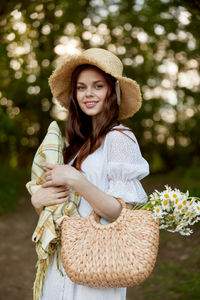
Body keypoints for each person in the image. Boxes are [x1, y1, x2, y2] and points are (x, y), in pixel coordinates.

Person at [30, 48, 149, 300]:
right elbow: (66, 207)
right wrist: (38, 202)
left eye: (98, 86)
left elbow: (121, 213)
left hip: (99, 259)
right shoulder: (76, 145)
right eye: (81, 88)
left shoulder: (120, 138)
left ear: (112, 92)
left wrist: (76, 179)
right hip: (64, 258)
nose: (89, 94)